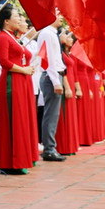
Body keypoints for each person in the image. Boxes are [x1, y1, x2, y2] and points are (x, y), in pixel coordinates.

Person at [0, 3, 37, 174]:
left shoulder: (12, 36)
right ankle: (11, 161)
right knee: (13, 121)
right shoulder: (3, 37)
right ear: (6, 20)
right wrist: (23, 69)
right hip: (11, 83)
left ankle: (23, 157)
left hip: (21, 81)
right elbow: (4, 62)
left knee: (22, 120)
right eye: (16, 16)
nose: (19, 19)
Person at [37, 11, 67, 162]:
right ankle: (49, 148)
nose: (61, 17)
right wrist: (56, 81)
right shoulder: (48, 33)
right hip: (51, 76)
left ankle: (50, 146)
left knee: (53, 114)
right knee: (51, 114)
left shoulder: (51, 33)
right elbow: (48, 59)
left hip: (53, 75)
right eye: (58, 14)